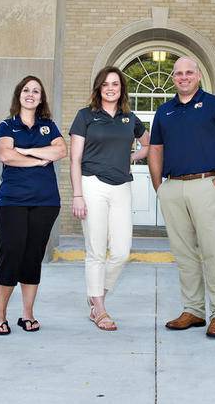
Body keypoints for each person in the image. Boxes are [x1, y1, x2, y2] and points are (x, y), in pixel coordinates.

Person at [148, 57, 215, 338]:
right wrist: (159, 187)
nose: (183, 77)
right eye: (178, 74)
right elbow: (155, 150)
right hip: (173, 187)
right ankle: (194, 310)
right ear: (173, 78)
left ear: (198, 76)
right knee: (184, 253)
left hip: (206, 184)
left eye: (189, 73)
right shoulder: (165, 111)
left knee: (213, 251)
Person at [69, 66, 149, 331]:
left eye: (115, 84)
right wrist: (77, 194)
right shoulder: (85, 116)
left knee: (121, 252)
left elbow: (147, 144)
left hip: (121, 187)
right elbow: (75, 159)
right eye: (106, 84)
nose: (111, 88)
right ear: (99, 88)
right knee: (96, 250)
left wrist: (132, 157)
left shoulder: (129, 118)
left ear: (121, 88)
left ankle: (96, 293)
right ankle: (100, 309)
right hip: (92, 184)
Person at [0, 76, 66, 335]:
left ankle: (27, 314)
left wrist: (23, 152)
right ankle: (0, 316)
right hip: (11, 201)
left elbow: (60, 151)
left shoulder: (48, 126)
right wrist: (37, 159)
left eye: (36, 91)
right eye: (26, 90)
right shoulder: (7, 125)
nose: (31, 94)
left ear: (41, 97)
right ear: (19, 94)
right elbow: (4, 154)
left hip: (45, 201)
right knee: (10, 253)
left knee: (33, 256)